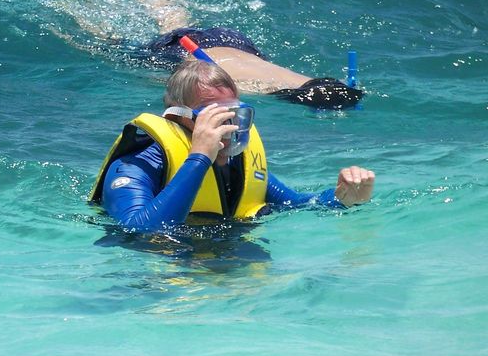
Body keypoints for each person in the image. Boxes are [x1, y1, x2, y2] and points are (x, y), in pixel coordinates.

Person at [91, 59, 375, 232]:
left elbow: (295, 204)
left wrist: (342, 198)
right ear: (180, 118)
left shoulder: (240, 162)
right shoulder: (139, 163)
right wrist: (200, 157)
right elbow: (138, 232)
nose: (230, 128)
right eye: (215, 116)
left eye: (237, 115)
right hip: (158, 273)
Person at [74, 0, 364, 109]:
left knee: (173, 21)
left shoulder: (313, 84)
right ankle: (76, 9)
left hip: (236, 43)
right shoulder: (264, 90)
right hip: (191, 54)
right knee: (110, 46)